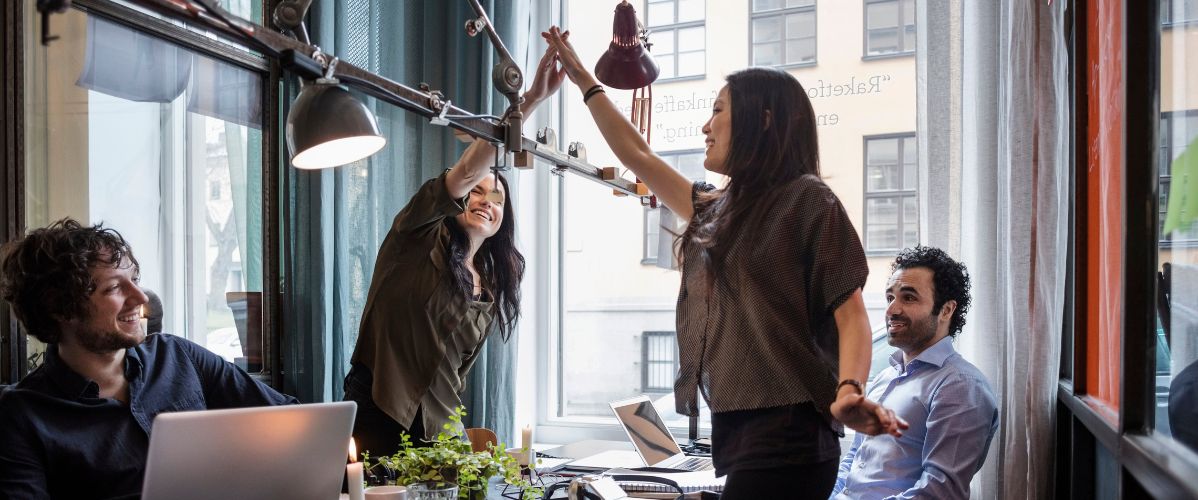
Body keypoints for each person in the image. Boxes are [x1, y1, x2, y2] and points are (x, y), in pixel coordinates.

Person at [544, 27, 907, 499]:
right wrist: (582, 80)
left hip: (792, 434)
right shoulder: (719, 209)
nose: (705, 126)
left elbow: (851, 312)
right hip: (743, 433)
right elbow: (638, 155)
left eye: (718, 110)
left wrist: (849, 392)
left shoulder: (808, 200)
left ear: (764, 121)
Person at [342, 44, 566, 459]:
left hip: (442, 431)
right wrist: (531, 98)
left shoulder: (492, 283)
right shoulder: (415, 235)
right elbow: (465, 170)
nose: (487, 201)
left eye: (497, 198)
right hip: (380, 410)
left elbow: (456, 372)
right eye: (478, 191)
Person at [0, 218, 297, 499]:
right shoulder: (22, 415)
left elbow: (291, 420)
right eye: (115, 287)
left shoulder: (178, 356)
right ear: (60, 309)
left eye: (135, 279)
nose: (141, 298)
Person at [832, 246, 998, 499]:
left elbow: (939, 492)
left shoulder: (961, 386)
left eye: (908, 298)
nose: (891, 311)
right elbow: (854, 462)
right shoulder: (885, 378)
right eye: (890, 298)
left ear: (946, 310)